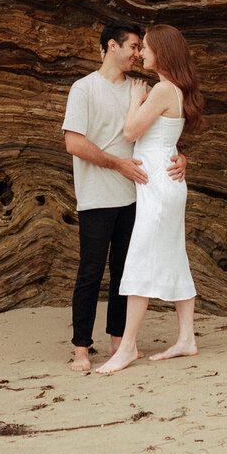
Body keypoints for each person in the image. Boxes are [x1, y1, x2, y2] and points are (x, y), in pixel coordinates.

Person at [62, 21, 187, 374]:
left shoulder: (140, 88)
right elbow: (73, 143)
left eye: (140, 47)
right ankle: (81, 348)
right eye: (133, 46)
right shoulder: (84, 89)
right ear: (111, 47)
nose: (137, 53)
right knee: (90, 271)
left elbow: (159, 132)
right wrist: (117, 163)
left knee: (124, 271)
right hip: (96, 195)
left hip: (136, 195)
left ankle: (118, 340)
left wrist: (180, 157)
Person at [97, 23, 205, 374]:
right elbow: (165, 138)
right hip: (165, 182)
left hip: (158, 184)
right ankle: (186, 338)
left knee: (140, 257)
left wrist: (134, 100)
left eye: (144, 46)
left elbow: (131, 132)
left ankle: (127, 346)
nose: (140, 52)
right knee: (174, 256)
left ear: (161, 50)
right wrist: (180, 156)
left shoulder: (161, 90)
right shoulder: (176, 89)